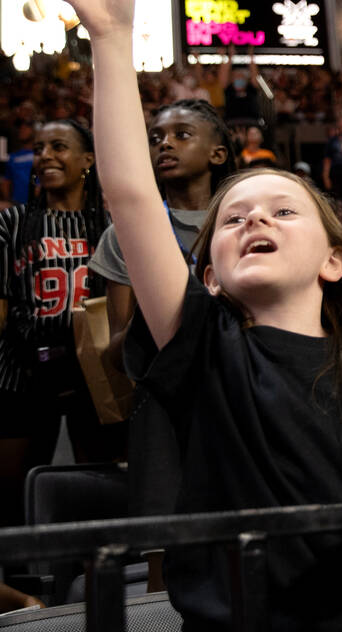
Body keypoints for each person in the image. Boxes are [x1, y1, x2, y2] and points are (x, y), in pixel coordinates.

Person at [36, 0, 342, 630]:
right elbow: (129, 194)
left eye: (284, 210)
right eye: (234, 218)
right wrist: (111, 40)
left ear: (335, 260)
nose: (256, 221)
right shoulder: (205, 345)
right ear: (209, 274)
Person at [87, 98, 237, 590]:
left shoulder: (246, 220)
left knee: (250, 545)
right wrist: (170, 304)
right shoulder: (125, 234)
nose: (164, 144)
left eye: (181, 135)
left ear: (218, 154)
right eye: (155, 138)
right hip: (163, 409)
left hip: (243, 392)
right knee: (165, 564)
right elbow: (115, 352)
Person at [0, 118, 116, 527]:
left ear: (87, 160)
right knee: (10, 500)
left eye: (58, 146)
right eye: (39, 147)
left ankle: (95, 583)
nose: (45, 155)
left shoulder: (109, 225)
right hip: (20, 373)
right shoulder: (13, 222)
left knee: (98, 495)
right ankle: (17, 586)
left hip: (92, 371)